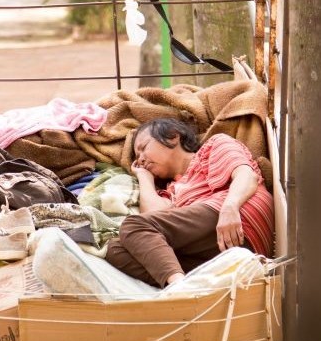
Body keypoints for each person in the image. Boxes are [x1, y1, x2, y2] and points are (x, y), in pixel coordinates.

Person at [104, 118, 275, 287]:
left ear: (173, 136)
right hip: (218, 250)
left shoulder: (214, 146)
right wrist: (144, 177)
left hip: (240, 216)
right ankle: (186, 283)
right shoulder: (170, 191)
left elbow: (247, 175)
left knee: (132, 225)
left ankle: (179, 287)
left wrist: (230, 207)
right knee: (114, 249)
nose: (140, 159)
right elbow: (152, 221)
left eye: (143, 148)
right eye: (137, 156)